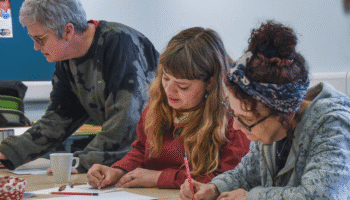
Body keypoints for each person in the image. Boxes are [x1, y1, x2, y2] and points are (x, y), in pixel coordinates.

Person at [180, 21, 350, 200]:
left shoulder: (335, 126)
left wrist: (251, 198)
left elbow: (324, 196)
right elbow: (246, 175)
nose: (236, 126)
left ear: (285, 113)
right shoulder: (269, 128)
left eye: (246, 119)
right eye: (233, 113)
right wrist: (214, 188)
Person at [0, 0, 159, 173]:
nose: (36, 47)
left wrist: (82, 163)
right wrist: (9, 152)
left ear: (68, 30)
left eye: (40, 39)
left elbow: (127, 120)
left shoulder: (119, 44)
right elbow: (59, 118)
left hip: (161, 155)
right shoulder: (67, 58)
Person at [86, 27, 250, 189]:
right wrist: (118, 170)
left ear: (210, 83)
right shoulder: (156, 108)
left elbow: (227, 179)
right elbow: (142, 151)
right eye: (165, 78)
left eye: (183, 86)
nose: (169, 91)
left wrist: (159, 178)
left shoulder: (234, 120)